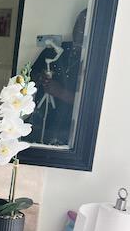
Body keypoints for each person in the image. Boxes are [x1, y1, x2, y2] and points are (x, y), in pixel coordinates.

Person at [28, 9, 86, 145]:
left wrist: (61, 93)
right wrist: (39, 78)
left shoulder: (97, 62)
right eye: (78, 25)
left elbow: (93, 106)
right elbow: (28, 76)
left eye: (85, 27)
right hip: (39, 122)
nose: (80, 31)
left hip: (69, 132)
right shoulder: (53, 50)